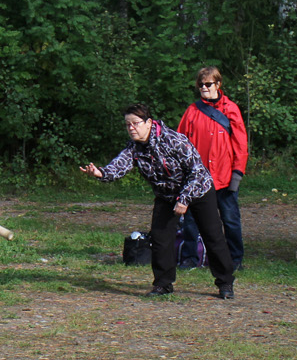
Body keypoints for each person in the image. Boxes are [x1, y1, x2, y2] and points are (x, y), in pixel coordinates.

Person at [81, 104, 235, 299]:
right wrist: (100, 173)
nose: (131, 128)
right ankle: (163, 284)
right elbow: (119, 165)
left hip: (197, 190)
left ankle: (225, 283)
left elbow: (196, 171)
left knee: (212, 236)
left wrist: (184, 199)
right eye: (127, 125)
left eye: (135, 123)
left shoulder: (173, 140)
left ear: (149, 123)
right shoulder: (134, 148)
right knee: (161, 238)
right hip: (166, 195)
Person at [177, 67, 249, 269]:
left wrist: (237, 174)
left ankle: (235, 260)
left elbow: (240, 144)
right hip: (196, 178)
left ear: (218, 84)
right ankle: (190, 258)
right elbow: (180, 142)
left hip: (225, 177)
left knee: (230, 220)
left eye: (207, 84)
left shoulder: (231, 109)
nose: (203, 88)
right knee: (191, 220)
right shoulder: (192, 111)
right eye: (200, 84)